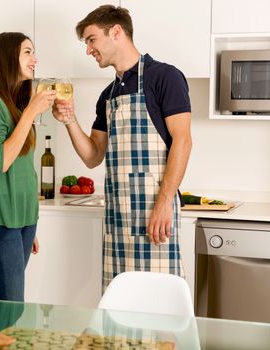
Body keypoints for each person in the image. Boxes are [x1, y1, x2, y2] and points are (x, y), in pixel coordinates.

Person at [53, 5, 192, 291]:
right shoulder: (108, 95)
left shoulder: (165, 77)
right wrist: (69, 120)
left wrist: (164, 203)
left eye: (91, 39)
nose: (88, 50)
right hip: (118, 215)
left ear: (116, 32)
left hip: (155, 211)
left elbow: (183, 141)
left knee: (158, 300)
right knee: (119, 305)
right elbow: (93, 156)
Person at [0, 32, 56, 301]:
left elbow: (24, 169)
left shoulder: (15, 107)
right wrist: (31, 112)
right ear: (8, 58)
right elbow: (1, 160)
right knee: (12, 306)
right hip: (1, 220)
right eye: (28, 52)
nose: (35, 59)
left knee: (1, 302)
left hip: (21, 221)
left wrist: (27, 224)